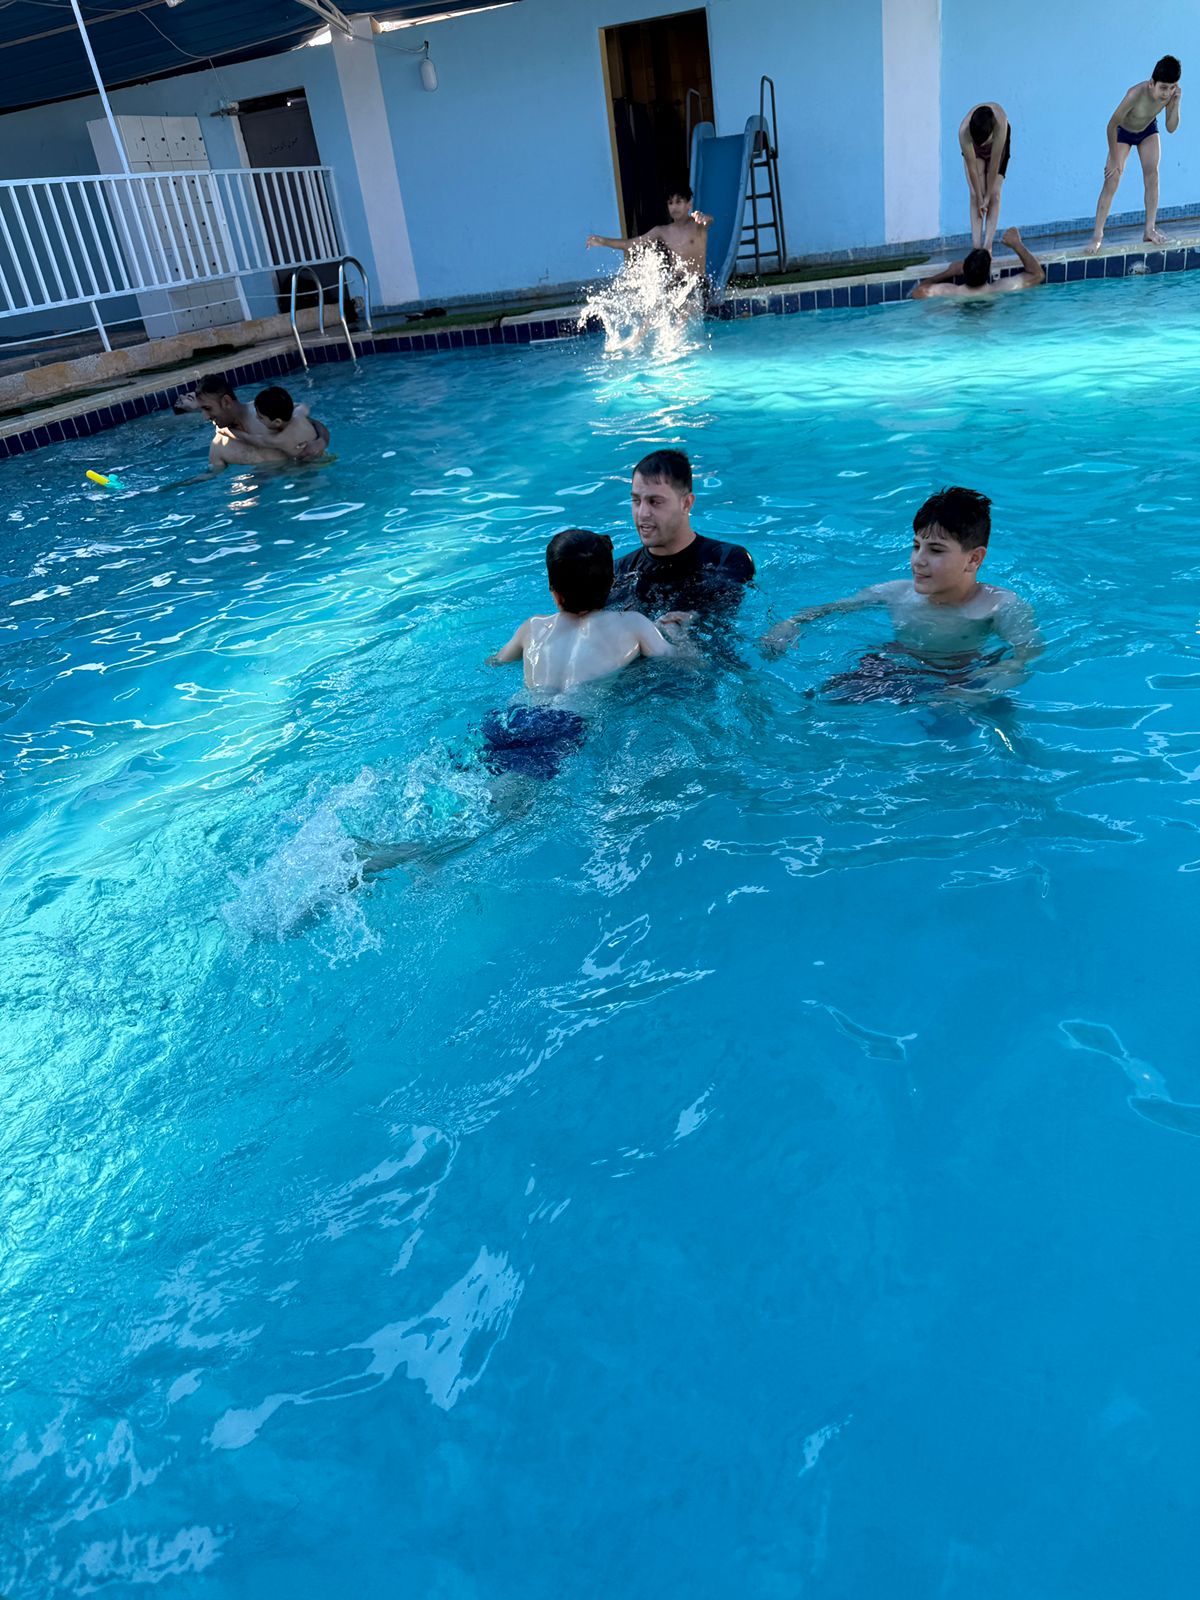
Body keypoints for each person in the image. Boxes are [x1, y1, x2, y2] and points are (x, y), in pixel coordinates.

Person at [761, 487, 1042, 700]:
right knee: (820, 701)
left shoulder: (998, 606)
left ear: (974, 559)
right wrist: (790, 624)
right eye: (916, 546)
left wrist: (977, 690)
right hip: (894, 667)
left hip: (960, 678)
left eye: (935, 550)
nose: (919, 560)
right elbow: (833, 609)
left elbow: (1027, 658)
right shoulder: (895, 592)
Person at [611, 450, 754, 621]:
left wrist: (693, 618)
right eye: (636, 501)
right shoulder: (618, 573)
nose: (642, 513)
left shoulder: (727, 560)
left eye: (655, 502)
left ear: (686, 503)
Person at [1088, 55, 1182, 252]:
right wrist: (1114, 158)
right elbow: (1111, 125)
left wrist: (1176, 103)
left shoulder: (1171, 95)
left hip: (1147, 130)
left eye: (1172, 87)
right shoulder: (1135, 94)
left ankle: (1149, 230)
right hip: (1123, 132)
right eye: (1163, 88)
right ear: (1151, 83)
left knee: (1152, 175)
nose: (1166, 93)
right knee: (1112, 178)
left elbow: (1171, 127)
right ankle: (1097, 236)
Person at [587, 184, 714, 291]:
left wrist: (703, 218)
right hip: (676, 284)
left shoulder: (697, 226)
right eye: (670, 203)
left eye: (678, 202)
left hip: (698, 284)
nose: (674, 207)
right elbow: (631, 245)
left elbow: (709, 220)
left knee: (688, 303)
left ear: (688, 204)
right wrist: (603, 241)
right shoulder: (662, 231)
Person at [193, 376, 329, 470]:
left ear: (226, 402)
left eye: (208, 408)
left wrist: (321, 441)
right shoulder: (218, 447)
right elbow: (213, 478)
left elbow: (313, 423)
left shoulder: (266, 410)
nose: (205, 417)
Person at [911, 227, 1045, 299]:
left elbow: (917, 292)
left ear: (964, 270)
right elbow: (1037, 275)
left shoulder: (949, 291)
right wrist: (1017, 244)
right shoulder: (1002, 288)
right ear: (988, 273)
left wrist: (949, 272)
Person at [958, 102, 1011, 251]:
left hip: (998, 147)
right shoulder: (964, 132)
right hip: (974, 146)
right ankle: (976, 248)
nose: (983, 146)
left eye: (985, 143)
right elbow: (972, 169)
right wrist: (981, 198)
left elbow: (994, 165)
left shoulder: (1001, 125)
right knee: (975, 194)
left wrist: (987, 197)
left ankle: (988, 247)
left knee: (994, 193)